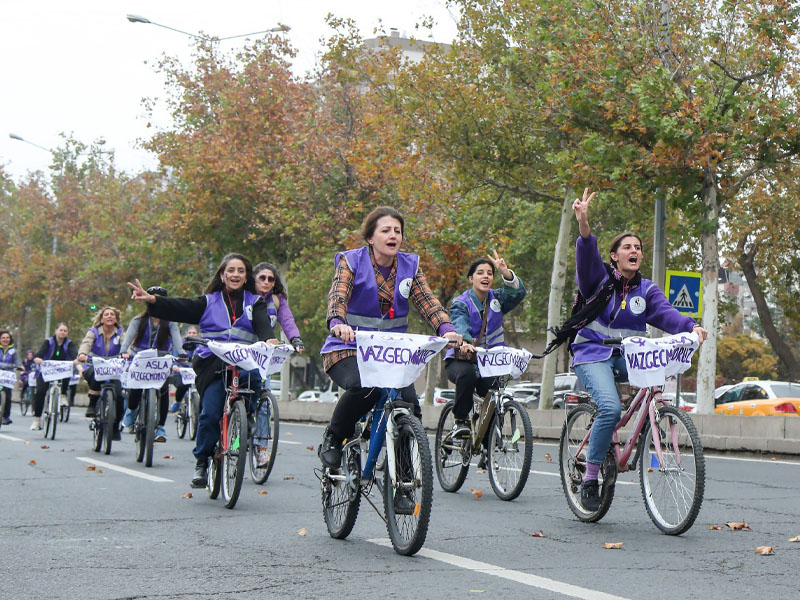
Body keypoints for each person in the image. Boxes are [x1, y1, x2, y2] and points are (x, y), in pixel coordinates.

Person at [570, 188, 707, 511]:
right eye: (627, 247)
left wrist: (692, 327)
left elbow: (668, 315)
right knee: (611, 408)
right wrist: (584, 224)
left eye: (639, 248)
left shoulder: (647, 290)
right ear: (615, 255)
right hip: (592, 353)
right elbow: (587, 256)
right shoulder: (597, 279)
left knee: (655, 385)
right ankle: (591, 477)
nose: (635, 251)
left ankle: (641, 428)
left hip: (626, 358)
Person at [318, 206, 462, 472]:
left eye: (397, 231)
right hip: (349, 348)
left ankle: (404, 481)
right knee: (366, 386)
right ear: (371, 238)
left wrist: (446, 329)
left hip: (389, 355)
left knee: (408, 406)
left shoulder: (410, 266)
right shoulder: (351, 261)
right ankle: (334, 438)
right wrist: (338, 323)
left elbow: (428, 302)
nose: (393, 235)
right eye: (386, 230)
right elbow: (338, 296)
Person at [127, 253, 277, 488]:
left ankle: (243, 423)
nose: (236, 274)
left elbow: (263, 327)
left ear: (246, 276)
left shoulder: (256, 303)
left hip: (244, 362)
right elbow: (180, 307)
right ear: (222, 275)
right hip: (213, 364)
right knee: (209, 413)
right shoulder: (208, 301)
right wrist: (153, 301)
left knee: (253, 380)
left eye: (241, 271)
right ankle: (202, 462)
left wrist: (270, 341)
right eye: (231, 270)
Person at [445, 252, 527, 438]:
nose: (486, 276)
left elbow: (517, 293)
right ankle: (460, 421)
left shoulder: (497, 298)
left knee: (495, 395)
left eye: (490, 273)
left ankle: (487, 445)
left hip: (489, 363)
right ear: (471, 278)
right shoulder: (461, 302)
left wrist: (505, 272)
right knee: (467, 376)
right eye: (480, 273)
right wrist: (465, 341)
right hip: (462, 359)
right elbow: (459, 322)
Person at [252, 262, 305, 467]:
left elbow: (287, 321)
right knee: (235, 399)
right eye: (262, 278)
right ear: (253, 279)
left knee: (263, 403)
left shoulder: (276, 300)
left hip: (263, 358)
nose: (266, 282)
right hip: (242, 354)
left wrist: (296, 340)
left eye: (271, 279)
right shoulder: (245, 297)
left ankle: (261, 449)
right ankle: (236, 440)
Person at [120, 288, 183, 443]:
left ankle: (160, 427)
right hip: (139, 357)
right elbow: (128, 339)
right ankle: (132, 410)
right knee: (136, 386)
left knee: (163, 390)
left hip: (160, 360)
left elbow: (177, 339)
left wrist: (181, 353)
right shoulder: (138, 320)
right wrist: (123, 351)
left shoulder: (170, 323)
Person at [77, 307, 125, 439]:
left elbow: (125, 344)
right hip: (94, 364)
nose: (109, 316)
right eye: (106, 314)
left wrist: (126, 352)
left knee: (120, 396)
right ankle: (92, 405)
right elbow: (86, 343)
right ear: (102, 319)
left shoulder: (120, 332)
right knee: (93, 374)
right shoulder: (93, 332)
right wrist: (82, 354)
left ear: (116, 319)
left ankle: (115, 427)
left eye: (112, 315)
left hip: (114, 368)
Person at [31, 323, 77, 430]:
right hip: (47, 370)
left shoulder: (69, 343)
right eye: (61, 330)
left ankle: (63, 395)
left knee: (67, 370)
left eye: (65, 331)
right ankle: (37, 419)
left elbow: (74, 354)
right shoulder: (48, 342)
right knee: (40, 392)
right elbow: (40, 353)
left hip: (61, 370)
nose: (63, 332)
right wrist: (38, 358)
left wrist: (76, 360)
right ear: (56, 331)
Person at [169, 325, 199, 413]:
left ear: (197, 334)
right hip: (180, 373)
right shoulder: (180, 344)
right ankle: (178, 402)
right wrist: (174, 366)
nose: (192, 335)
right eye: (190, 333)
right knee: (183, 386)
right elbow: (174, 357)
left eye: (194, 333)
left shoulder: (200, 345)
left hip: (194, 373)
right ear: (186, 334)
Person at [0, 330, 21, 425]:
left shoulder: (13, 350)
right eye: (3, 338)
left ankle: (6, 416)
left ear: (10, 339)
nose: (5, 339)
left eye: (7, 338)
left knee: (8, 397)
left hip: (8, 375)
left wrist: (20, 366)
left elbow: (17, 360)